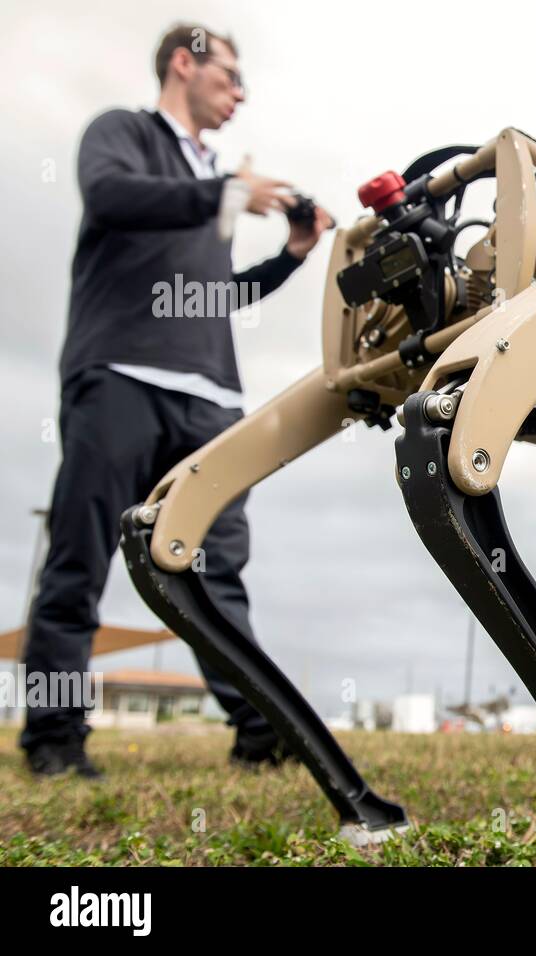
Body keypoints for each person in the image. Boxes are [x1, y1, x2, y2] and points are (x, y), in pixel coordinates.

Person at [20, 22, 333, 777]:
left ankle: (259, 733)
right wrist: (225, 190)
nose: (241, 92)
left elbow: (213, 296)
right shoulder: (122, 134)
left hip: (209, 399)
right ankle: (55, 738)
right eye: (229, 75)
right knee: (79, 558)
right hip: (119, 377)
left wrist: (291, 256)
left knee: (215, 569)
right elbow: (111, 196)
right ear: (184, 64)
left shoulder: (210, 180)